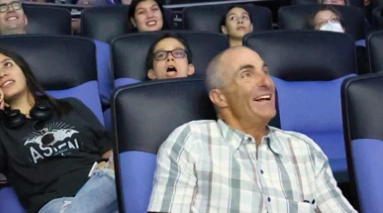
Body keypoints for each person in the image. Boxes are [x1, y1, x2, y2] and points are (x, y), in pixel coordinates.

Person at [149, 47, 355, 212]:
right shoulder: (191, 141)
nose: (266, 81)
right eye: (247, 74)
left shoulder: (304, 148)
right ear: (220, 97)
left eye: (265, 72)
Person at [0, 48, 116, 213]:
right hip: (55, 206)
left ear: (24, 70)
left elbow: (110, 152)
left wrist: (104, 170)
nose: (1, 74)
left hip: (101, 188)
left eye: (7, 65)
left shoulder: (71, 106)